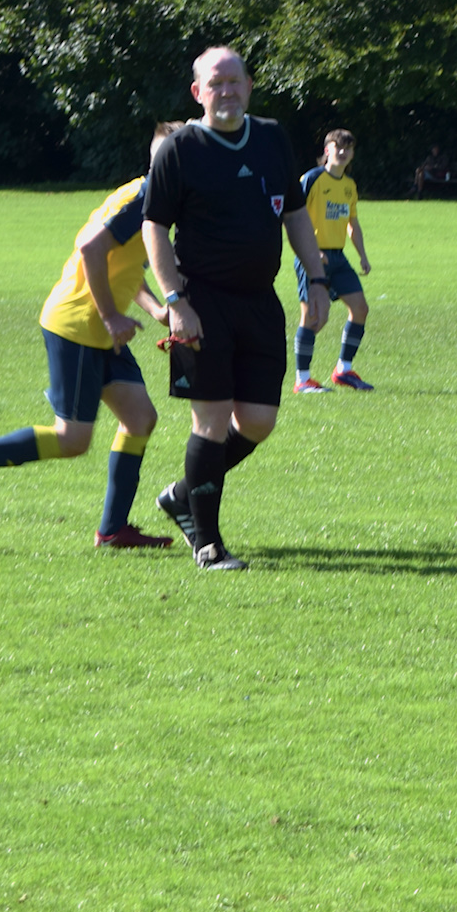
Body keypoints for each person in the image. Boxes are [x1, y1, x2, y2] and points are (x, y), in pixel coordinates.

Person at [0, 123, 185, 546]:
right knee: (72, 439)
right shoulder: (143, 198)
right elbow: (90, 249)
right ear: (158, 159)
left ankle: (113, 530)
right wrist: (110, 316)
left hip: (100, 325)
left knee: (140, 419)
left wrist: (156, 308)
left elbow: (124, 261)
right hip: (81, 323)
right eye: (169, 156)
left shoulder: (151, 197)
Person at [141, 46, 330, 572]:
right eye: (214, 85)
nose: (226, 92)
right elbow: (152, 226)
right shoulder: (179, 149)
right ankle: (207, 544)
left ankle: (183, 495)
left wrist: (316, 279)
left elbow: (294, 212)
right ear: (198, 93)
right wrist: (175, 300)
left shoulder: (271, 138)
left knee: (258, 421)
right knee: (211, 419)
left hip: (259, 300)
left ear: (249, 86)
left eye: (234, 82)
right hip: (201, 300)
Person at [293, 129, 374, 392]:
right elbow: (294, 215)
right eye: (337, 147)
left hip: (338, 257)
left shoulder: (349, 186)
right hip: (313, 256)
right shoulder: (312, 179)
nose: (342, 152)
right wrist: (309, 250)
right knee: (314, 318)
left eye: (348, 148)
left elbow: (353, 222)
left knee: (360, 308)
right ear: (327, 150)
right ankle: (302, 380)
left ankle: (344, 370)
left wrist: (362, 255)